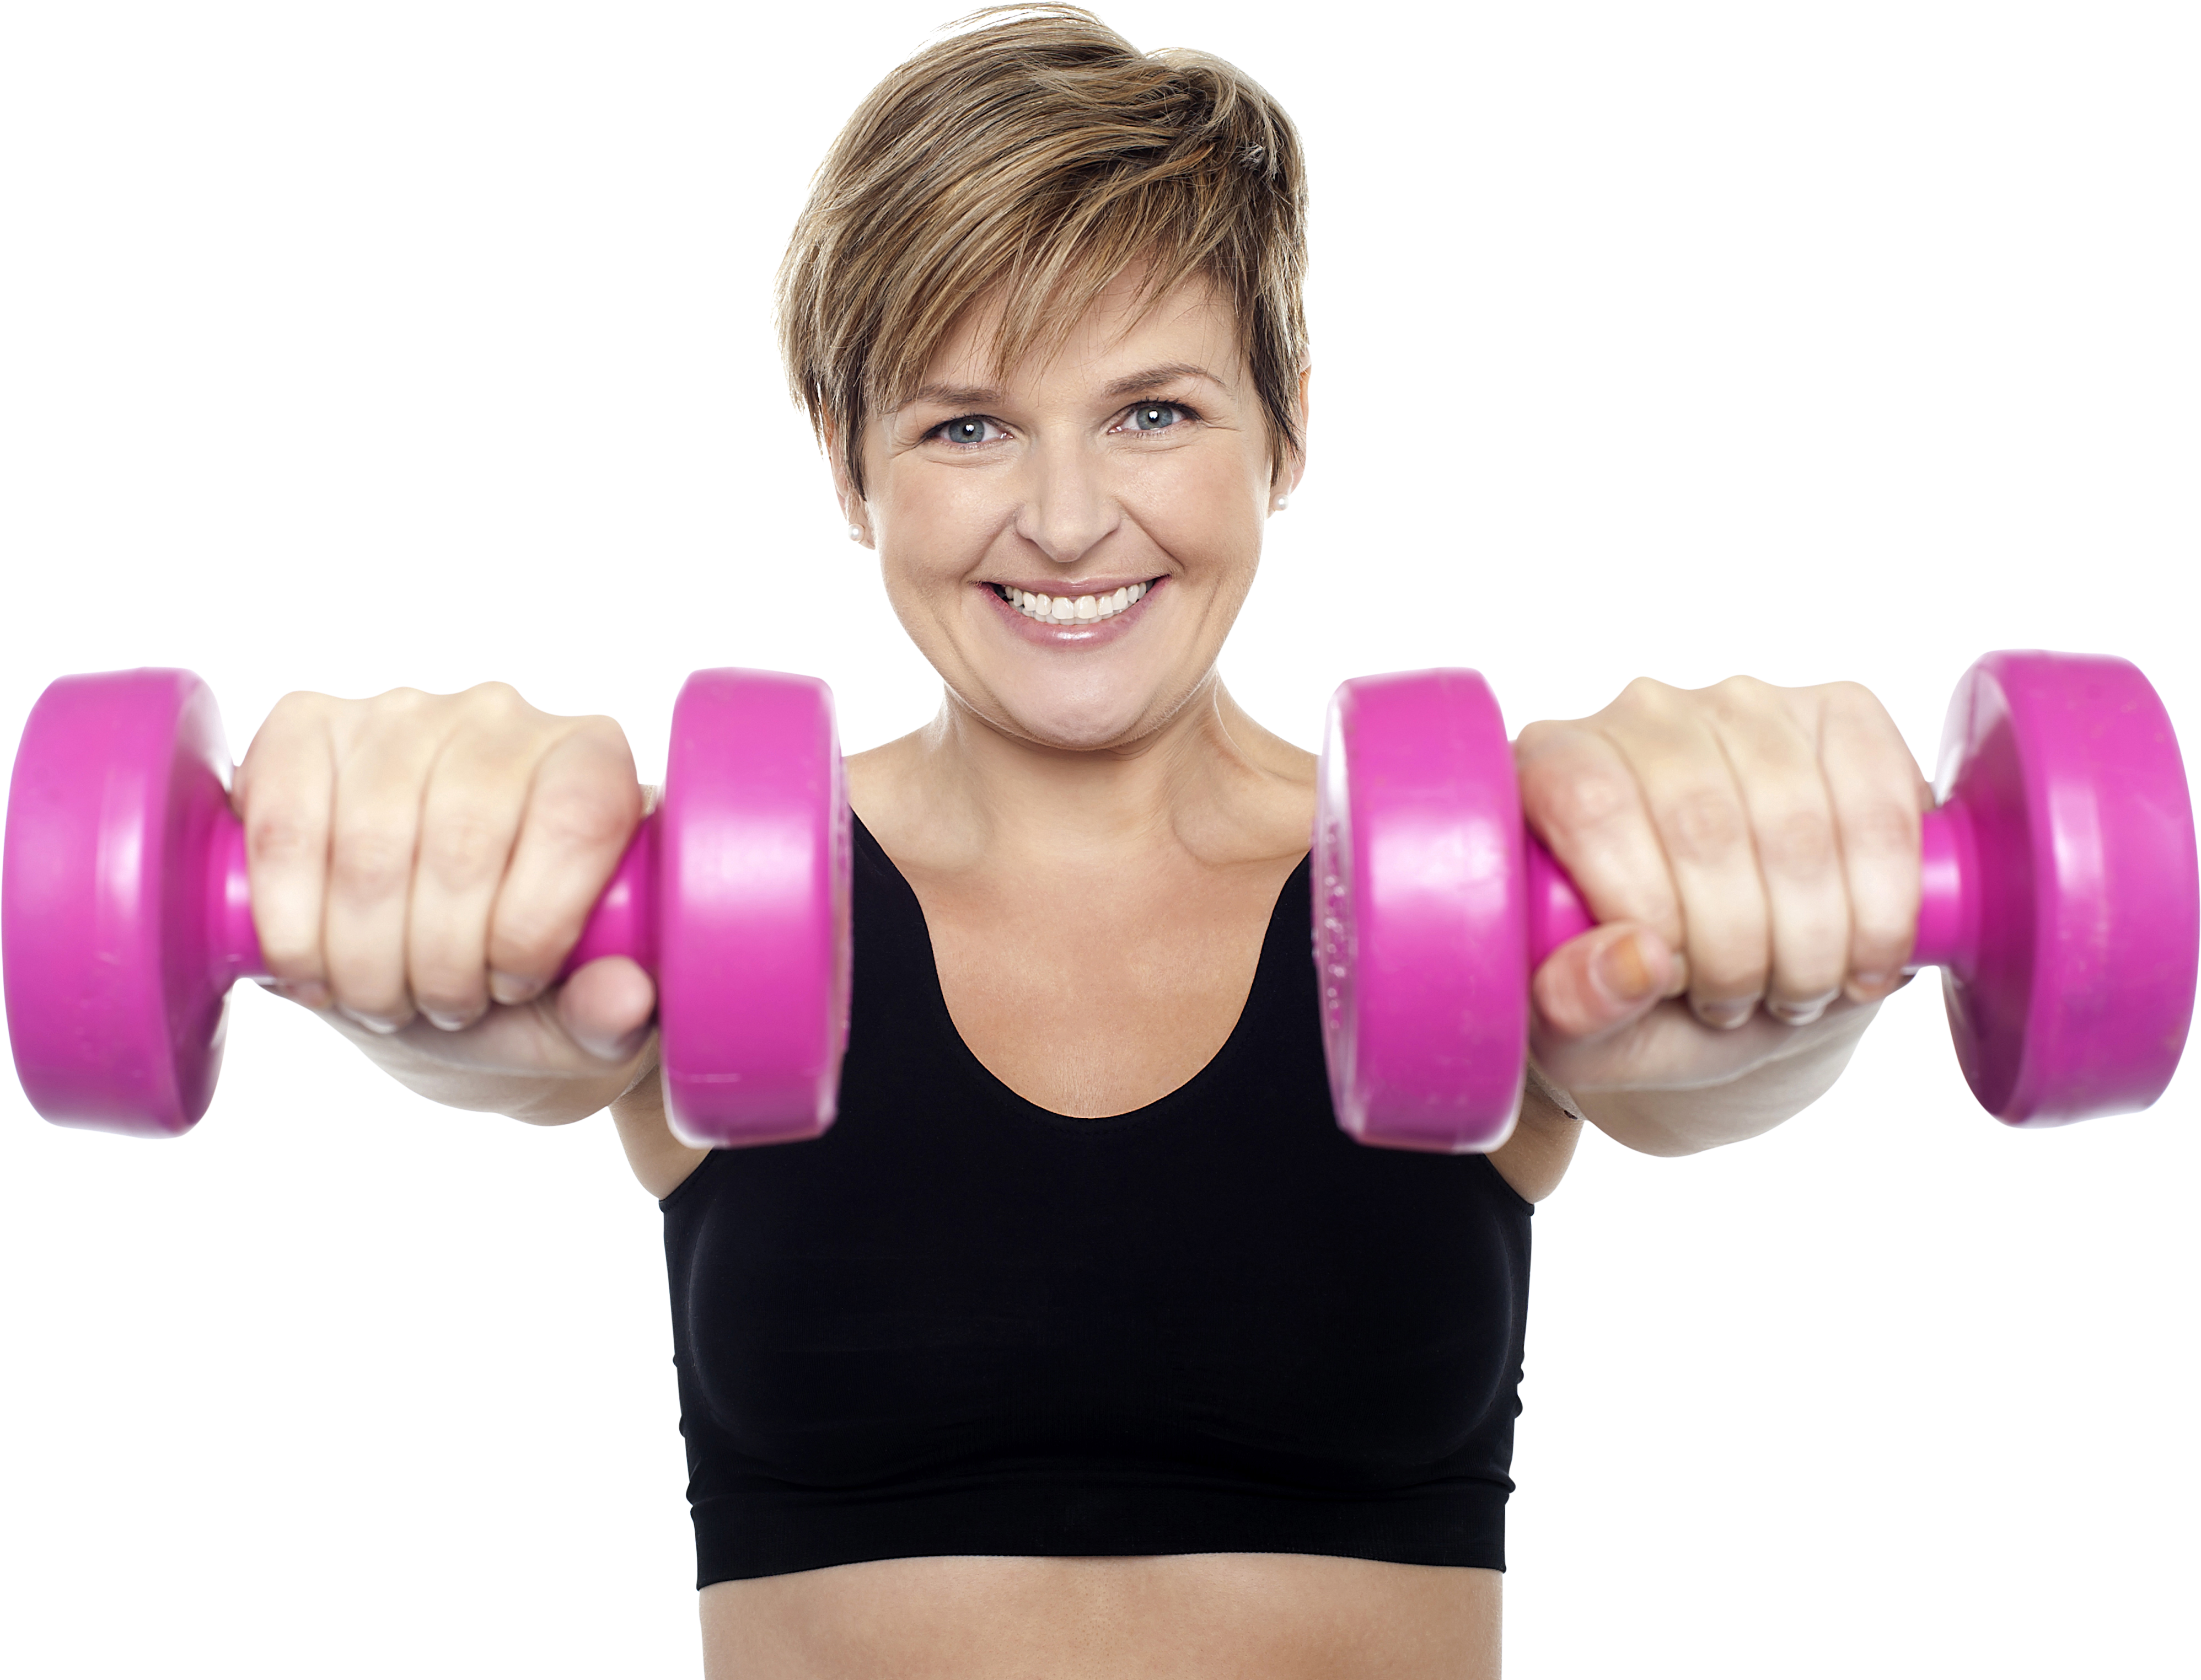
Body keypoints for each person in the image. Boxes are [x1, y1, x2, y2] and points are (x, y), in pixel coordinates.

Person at [227, 8, 1932, 1674]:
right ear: (850, 469)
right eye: (966, 423)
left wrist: (1792, 970)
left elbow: (1698, 1079)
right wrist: (412, 937)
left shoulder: (1490, 909)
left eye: (1154, 411)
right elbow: (503, 1048)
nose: (1061, 517)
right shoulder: (676, 911)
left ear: (1290, 428)